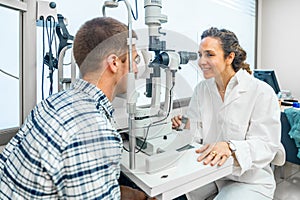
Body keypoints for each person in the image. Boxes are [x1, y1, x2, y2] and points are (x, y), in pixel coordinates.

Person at [0, 17, 151, 200]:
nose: (136, 69)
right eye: (134, 60)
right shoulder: (94, 133)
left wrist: (137, 196)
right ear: (114, 63)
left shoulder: (52, 103)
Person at [172, 27, 282, 199]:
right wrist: (185, 128)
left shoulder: (261, 91)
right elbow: (195, 138)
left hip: (248, 179)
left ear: (229, 57)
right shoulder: (201, 89)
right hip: (210, 174)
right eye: (200, 54)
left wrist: (230, 147)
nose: (201, 61)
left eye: (209, 54)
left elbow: (266, 145)